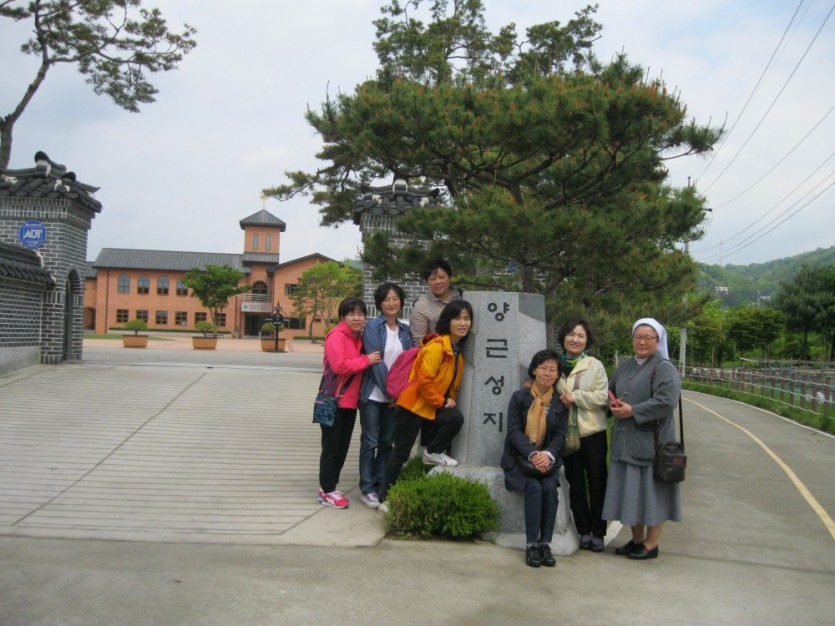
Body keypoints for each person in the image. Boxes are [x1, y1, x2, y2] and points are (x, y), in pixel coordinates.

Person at [378, 300, 473, 511]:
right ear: (447, 321)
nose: (462, 323)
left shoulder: (457, 352)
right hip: (411, 406)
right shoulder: (437, 347)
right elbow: (424, 381)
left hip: (429, 407)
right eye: (457, 318)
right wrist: (441, 402)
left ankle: (433, 452)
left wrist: (447, 400)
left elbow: (451, 383)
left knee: (454, 418)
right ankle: (384, 499)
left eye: (467, 319)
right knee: (400, 454)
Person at [602, 317, 682, 560]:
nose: (642, 342)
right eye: (638, 337)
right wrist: (612, 403)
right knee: (631, 494)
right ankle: (636, 540)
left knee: (653, 495)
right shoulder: (625, 365)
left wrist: (633, 411)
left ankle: (651, 544)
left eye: (648, 338)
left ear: (658, 340)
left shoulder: (664, 368)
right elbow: (611, 390)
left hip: (652, 444)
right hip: (625, 442)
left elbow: (666, 401)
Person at [501, 349, 569, 568]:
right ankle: (531, 545)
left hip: (546, 462)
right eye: (543, 368)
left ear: (557, 375)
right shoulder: (519, 397)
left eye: (552, 369)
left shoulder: (559, 403)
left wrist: (546, 455)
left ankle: (545, 544)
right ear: (533, 371)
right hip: (521, 461)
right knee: (534, 488)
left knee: (549, 489)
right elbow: (513, 431)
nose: (547, 373)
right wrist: (532, 453)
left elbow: (560, 435)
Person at [317, 297, 381, 509]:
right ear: (342, 317)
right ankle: (327, 490)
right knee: (331, 447)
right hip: (332, 400)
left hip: (349, 403)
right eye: (351, 314)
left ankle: (329, 486)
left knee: (342, 447)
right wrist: (366, 360)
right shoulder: (336, 336)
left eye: (360, 314)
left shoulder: (358, 338)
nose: (357, 318)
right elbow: (340, 366)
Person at [556, 318, 610, 553]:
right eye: (571, 334)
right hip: (567, 434)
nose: (575, 339)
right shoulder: (555, 365)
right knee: (575, 484)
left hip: (592, 433)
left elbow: (603, 397)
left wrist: (576, 397)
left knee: (597, 483)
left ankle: (598, 532)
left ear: (587, 341)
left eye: (580, 336)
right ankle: (583, 531)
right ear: (563, 337)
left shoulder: (594, 365)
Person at [357, 283, 412, 509]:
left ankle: (382, 485)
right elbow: (375, 362)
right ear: (380, 303)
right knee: (370, 442)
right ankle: (367, 488)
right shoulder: (373, 327)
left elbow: (408, 365)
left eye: (395, 298)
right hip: (373, 395)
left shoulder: (405, 331)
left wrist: (399, 394)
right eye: (387, 299)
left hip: (395, 399)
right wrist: (392, 392)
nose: (392, 303)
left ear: (401, 302)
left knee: (387, 443)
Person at [408, 258, 461, 344]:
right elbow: (419, 341)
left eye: (442, 277)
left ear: (450, 277)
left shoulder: (463, 297)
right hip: (437, 351)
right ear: (427, 281)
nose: (438, 282)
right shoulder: (421, 306)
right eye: (433, 279)